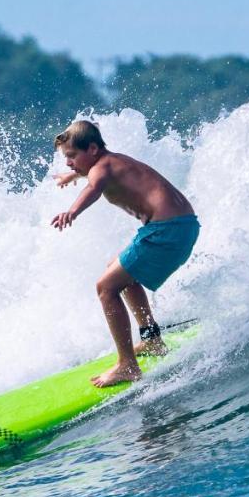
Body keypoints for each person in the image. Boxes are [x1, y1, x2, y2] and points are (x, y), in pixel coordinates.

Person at [50, 119, 200, 387]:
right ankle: (152, 339)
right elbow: (93, 176)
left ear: (93, 149)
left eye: (72, 156)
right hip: (181, 226)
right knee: (117, 272)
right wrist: (72, 176)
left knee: (105, 287)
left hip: (165, 231)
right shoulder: (113, 162)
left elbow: (93, 187)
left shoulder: (99, 170)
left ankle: (127, 365)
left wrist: (71, 212)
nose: (68, 162)